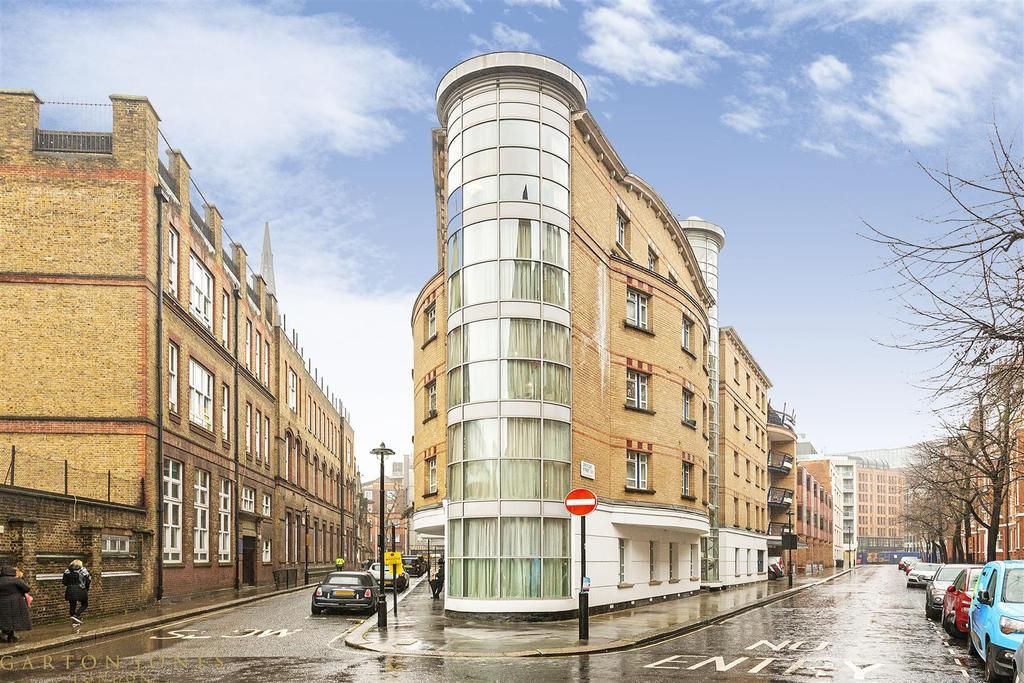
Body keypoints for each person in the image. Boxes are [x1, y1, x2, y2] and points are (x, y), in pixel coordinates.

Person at [0, 566, 31, 643]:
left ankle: (4, 634)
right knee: (13, 619)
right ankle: (11, 636)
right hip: (15, 603)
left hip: (2, 603)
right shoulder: (16, 580)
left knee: (4, 619)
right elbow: (27, 588)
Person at [62, 559, 91, 624]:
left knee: (72, 605)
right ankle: (76, 615)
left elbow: (64, 582)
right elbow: (88, 581)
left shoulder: (67, 571)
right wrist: (86, 589)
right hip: (81, 589)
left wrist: (70, 585)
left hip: (70, 590)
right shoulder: (83, 571)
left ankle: (74, 620)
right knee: (85, 604)